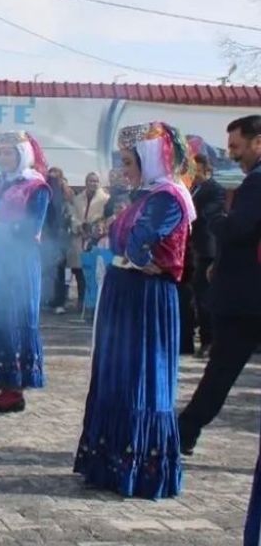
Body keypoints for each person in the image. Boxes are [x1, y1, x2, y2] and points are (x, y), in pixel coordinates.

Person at [73, 122, 196, 499]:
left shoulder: (168, 198)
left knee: (140, 376)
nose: (123, 170)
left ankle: (140, 467)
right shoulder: (148, 196)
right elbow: (122, 242)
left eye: (129, 162)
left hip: (145, 298)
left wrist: (132, 253)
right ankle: (111, 463)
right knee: (118, 375)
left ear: (151, 160)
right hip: (127, 291)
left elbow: (137, 244)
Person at [179, 114, 261, 456]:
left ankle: (184, 432)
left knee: (220, 373)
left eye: (236, 147)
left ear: (258, 142)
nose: (232, 154)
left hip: (246, 299)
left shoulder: (256, 182)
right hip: (247, 293)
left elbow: (238, 229)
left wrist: (215, 219)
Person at [0, 131, 50, 413]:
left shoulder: (37, 187)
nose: (2, 158)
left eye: (8, 153)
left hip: (20, 262)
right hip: (0, 259)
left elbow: (31, 228)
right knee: (1, 320)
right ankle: (6, 384)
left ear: (22, 154)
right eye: (0, 152)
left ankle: (15, 389)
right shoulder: (1, 183)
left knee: (15, 320)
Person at [189, 154, 226, 359]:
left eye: (194, 168)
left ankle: (209, 341)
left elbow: (206, 215)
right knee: (194, 296)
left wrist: (187, 209)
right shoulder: (194, 188)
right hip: (192, 248)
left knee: (205, 297)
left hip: (206, 250)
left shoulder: (215, 189)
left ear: (204, 167)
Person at [67, 172, 109, 314]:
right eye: (90, 181)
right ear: (86, 182)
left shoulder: (105, 198)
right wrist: (79, 226)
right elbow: (73, 215)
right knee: (79, 271)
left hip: (95, 238)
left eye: (96, 181)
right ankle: (81, 300)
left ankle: (93, 303)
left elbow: (105, 217)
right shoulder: (78, 198)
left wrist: (94, 229)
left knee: (93, 271)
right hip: (79, 237)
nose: (93, 183)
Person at [43, 168, 73, 315]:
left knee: (60, 270)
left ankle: (60, 301)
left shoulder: (66, 194)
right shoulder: (46, 192)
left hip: (61, 237)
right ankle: (49, 299)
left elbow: (70, 214)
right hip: (47, 237)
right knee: (48, 270)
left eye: (56, 177)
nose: (53, 180)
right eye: (51, 177)